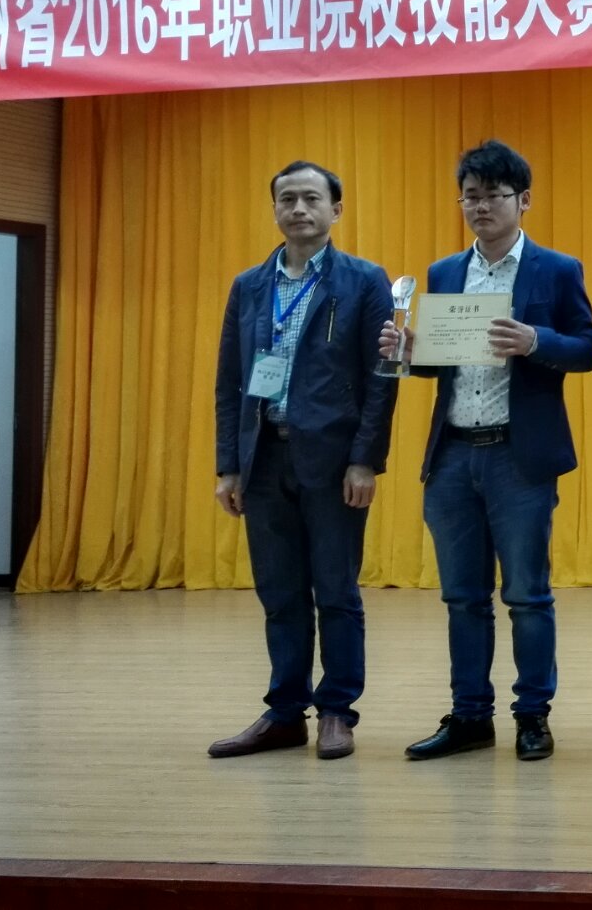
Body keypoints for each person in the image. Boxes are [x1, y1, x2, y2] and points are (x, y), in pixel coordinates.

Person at [380, 140, 592, 762]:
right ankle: (470, 716)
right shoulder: (445, 272)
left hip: (517, 456)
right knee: (462, 598)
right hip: (452, 454)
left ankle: (532, 715)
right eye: (469, 197)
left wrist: (536, 340)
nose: (479, 207)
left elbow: (587, 348)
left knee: (527, 596)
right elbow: (443, 361)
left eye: (493, 195)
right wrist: (410, 352)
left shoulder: (557, 269)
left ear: (523, 200)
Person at [209, 161, 397, 761]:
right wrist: (229, 465)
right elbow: (229, 381)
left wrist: (365, 459)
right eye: (287, 199)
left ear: (335, 210)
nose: (298, 209)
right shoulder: (249, 285)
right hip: (264, 458)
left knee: (336, 591)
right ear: (273, 209)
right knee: (280, 594)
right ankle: (286, 712)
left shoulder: (363, 281)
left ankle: (337, 709)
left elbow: (381, 377)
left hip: (335, 462)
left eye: (311, 198)